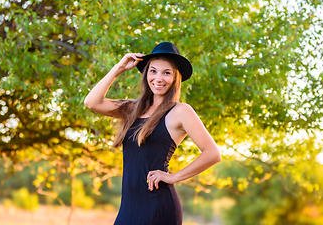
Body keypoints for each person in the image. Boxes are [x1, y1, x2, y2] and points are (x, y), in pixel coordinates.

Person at [84, 42, 221, 225]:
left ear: (175, 78)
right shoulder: (132, 109)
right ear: (146, 73)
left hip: (158, 206)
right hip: (129, 207)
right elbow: (92, 102)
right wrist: (118, 69)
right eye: (153, 71)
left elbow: (213, 153)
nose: (158, 78)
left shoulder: (181, 111)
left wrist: (173, 177)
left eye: (167, 73)